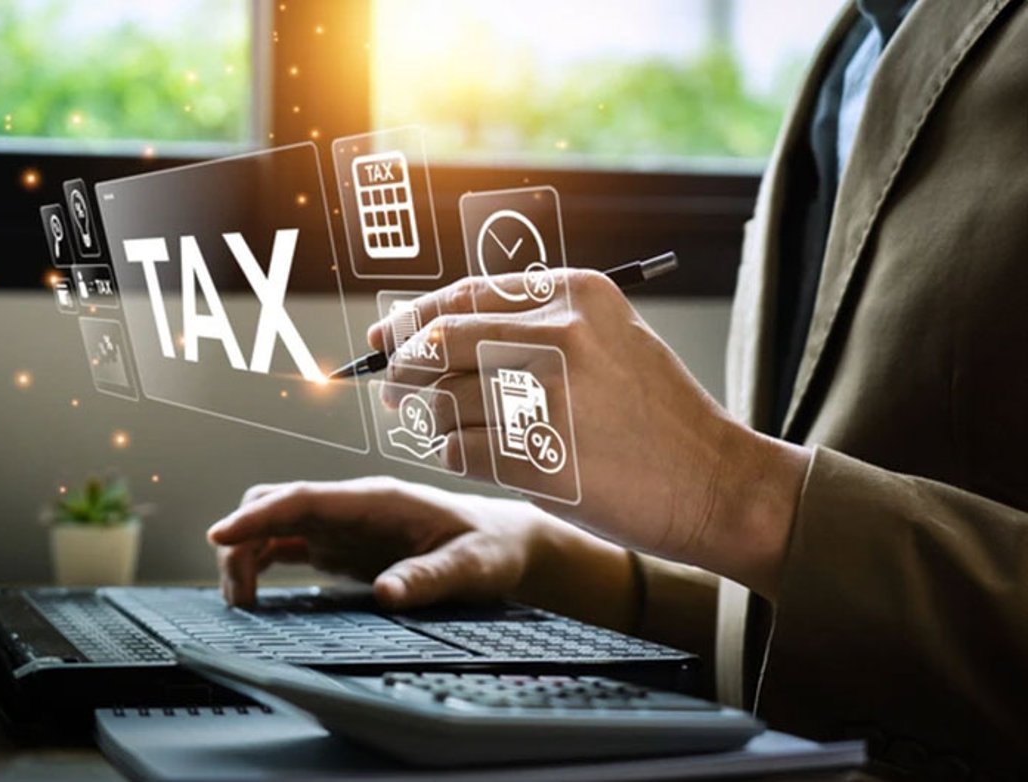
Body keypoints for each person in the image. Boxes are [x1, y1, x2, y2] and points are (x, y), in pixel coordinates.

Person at [208, 1, 1027, 776]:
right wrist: (541, 553)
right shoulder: (849, 54)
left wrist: (730, 487)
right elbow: (794, 606)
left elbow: (761, 506)